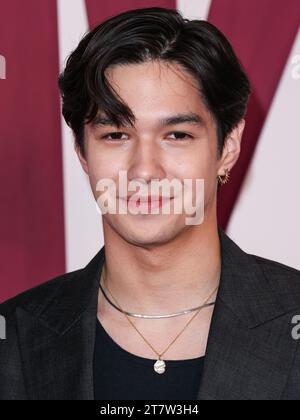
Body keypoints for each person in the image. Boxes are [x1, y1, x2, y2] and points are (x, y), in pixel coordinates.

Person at [1, 7, 300, 401]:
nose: (144, 170)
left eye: (176, 135)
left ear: (228, 147)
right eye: (116, 135)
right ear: (82, 152)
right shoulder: (15, 339)